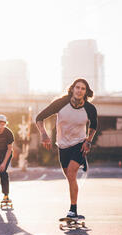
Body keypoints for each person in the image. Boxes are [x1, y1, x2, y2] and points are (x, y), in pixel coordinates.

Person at [35, 78, 98, 219]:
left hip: (79, 144)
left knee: (71, 173)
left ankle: (73, 210)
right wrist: (44, 134)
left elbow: (94, 125)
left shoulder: (90, 108)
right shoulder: (61, 103)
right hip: (63, 145)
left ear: (86, 92)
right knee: (69, 178)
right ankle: (82, 163)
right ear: (72, 89)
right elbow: (39, 117)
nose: (79, 90)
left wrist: (88, 141)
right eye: (77, 87)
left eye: (83, 88)